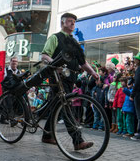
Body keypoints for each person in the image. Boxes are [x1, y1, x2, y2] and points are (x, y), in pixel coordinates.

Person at [41, 12, 98, 150]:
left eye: (74, 22)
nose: (73, 24)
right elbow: (44, 55)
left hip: (70, 78)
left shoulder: (74, 41)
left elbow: (82, 62)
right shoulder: (55, 38)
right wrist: (55, 64)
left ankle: (47, 136)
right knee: (66, 106)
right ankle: (77, 141)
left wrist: (92, 72)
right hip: (58, 78)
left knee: (56, 106)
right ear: (63, 22)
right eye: (70, 21)